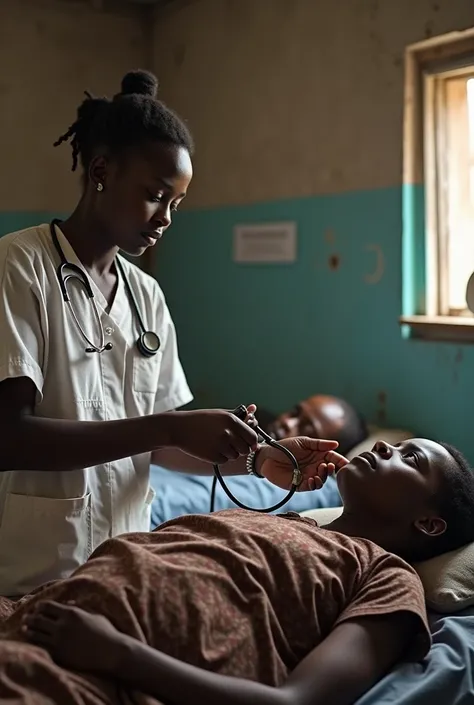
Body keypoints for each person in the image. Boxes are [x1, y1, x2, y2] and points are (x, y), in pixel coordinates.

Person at [0, 69, 348, 597]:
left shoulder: (147, 296)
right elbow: (9, 437)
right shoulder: (19, 267)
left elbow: (166, 447)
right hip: (28, 572)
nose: (165, 218)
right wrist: (167, 428)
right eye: (155, 195)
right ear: (100, 171)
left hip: (122, 572)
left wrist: (260, 457)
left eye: (176, 204)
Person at [0, 437, 472, 705]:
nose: (386, 444)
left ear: (428, 524)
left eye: (410, 458)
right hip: (38, 617)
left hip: (99, 669)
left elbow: (298, 702)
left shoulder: (385, 576)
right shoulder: (273, 520)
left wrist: (117, 653)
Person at [150, 394, 368, 525]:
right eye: (294, 412)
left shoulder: (310, 490)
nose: (287, 423)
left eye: (305, 428)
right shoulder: (245, 449)